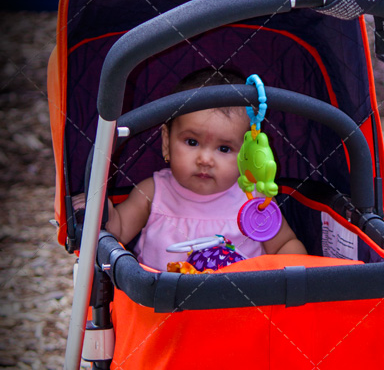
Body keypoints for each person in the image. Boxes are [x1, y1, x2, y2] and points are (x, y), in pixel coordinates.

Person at [75, 68, 306, 271]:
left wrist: (293, 273)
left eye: (224, 148)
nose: (205, 159)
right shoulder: (154, 193)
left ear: (247, 154)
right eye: (192, 142)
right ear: (166, 141)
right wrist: (101, 209)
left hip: (242, 313)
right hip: (163, 313)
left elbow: (285, 244)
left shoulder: (256, 201)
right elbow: (119, 231)